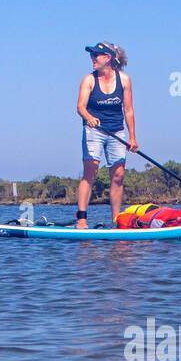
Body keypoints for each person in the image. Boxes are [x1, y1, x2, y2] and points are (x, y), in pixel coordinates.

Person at [76, 42, 137, 228]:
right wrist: (89, 117)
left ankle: (117, 221)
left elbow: (128, 110)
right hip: (94, 130)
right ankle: (82, 219)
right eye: (92, 55)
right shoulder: (89, 79)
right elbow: (80, 107)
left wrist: (132, 137)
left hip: (117, 131)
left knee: (118, 175)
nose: (92, 58)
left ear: (108, 58)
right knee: (91, 170)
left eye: (97, 55)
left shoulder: (124, 80)